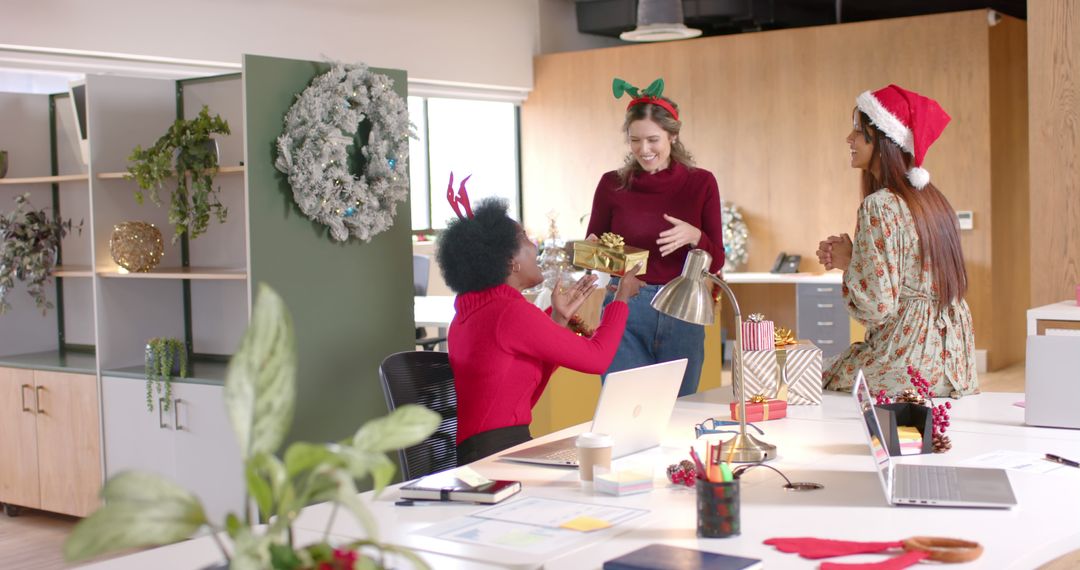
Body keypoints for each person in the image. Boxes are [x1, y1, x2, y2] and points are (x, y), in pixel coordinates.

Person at [437, 189, 644, 465]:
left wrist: (557, 321)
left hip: (491, 451)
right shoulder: (509, 313)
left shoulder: (474, 311)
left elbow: (516, 393)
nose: (534, 246)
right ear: (511, 262)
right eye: (525, 239)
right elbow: (598, 358)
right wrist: (620, 298)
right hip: (495, 460)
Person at [818, 84, 977, 397]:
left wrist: (849, 262)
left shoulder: (879, 205)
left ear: (882, 140)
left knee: (814, 376)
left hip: (908, 360)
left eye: (857, 130)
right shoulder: (935, 201)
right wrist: (857, 257)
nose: (849, 139)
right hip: (956, 362)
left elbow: (876, 306)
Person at [586, 77, 725, 397]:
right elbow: (595, 246)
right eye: (635, 140)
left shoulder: (701, 183)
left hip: (683, 307)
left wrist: (696, 236)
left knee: (678, 409)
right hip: (625, 305)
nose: (643, 150)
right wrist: (594, 251)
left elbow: (716, 259)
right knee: (623, 406)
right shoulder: (611, 185)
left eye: (652, 140)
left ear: (673, 136)